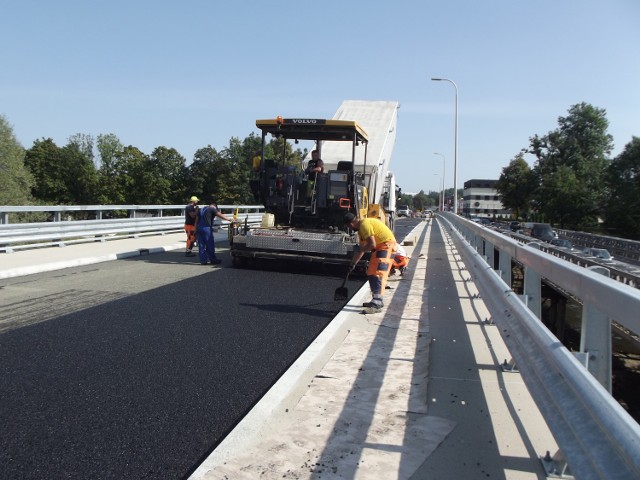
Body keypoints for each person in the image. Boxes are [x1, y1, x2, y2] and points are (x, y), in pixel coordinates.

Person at [344, 212, 397, 311]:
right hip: (380, 247)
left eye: (348, 227)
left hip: (386, 246)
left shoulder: (364, 225)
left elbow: (371, 244)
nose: (350, 229)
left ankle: (377, 302)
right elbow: (362, 249)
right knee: (371, 272)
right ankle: (375, 299)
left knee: (378, 273)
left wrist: (362, 250)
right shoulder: (361, 231)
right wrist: (353, 264)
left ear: (350, 224)